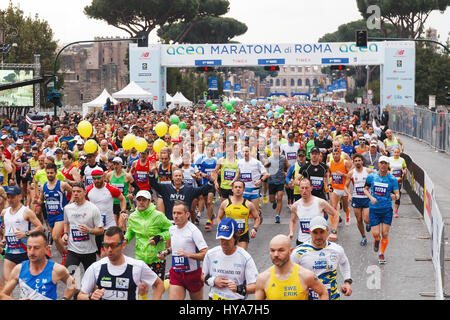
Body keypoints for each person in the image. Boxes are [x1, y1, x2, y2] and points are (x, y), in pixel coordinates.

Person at [77, 226, 164, 300]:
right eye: (106, 245)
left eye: (113, 245)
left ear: (123, 244)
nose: (109, 250)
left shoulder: (137, 266)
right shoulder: (95, 267)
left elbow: (159, 284)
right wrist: (90, 296)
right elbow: (80, 296)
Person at [0, 231, 76, 300]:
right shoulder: (19, 269)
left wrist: (65, 299)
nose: (32, 252)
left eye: (36, 248)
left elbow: (72, 285)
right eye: (29, 248)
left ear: (47, 249)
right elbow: (3, 295)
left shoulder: (57, 269)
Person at [291, 216, 352, 300]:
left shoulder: (336, 249)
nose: (318, 236)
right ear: (310, 232)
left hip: (332, 297)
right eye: (315, 232)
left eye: (321, 232)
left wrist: (347, 282)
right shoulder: (299, 252)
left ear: (327, 230)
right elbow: (289, 273)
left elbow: (344, 262)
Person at [158, 201, 208, 300]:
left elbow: (206, 253)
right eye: (174, 213)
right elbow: (176, 247)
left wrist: (188, 255)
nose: (175, 216)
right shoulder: (172, 229)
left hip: (193, 274)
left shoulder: (193, 231)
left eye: (179, 213)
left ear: (187, 214)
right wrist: (166, 252)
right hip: (176, 273)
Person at [254, 234, 328, 300]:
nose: (276, 254)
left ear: (290, 251)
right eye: (272, 250)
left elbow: (323, 293)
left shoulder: (306, 275)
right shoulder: (263, 279)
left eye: (281, 250)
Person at [202, 218, 258, 300]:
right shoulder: (211, 254)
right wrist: (213, 281)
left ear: (235, 237)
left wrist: (238, 289)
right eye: (221, 239)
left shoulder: (245, 258)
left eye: (227, 239)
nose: (224, 242)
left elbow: (256, 286)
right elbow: (202, 276)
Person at [122, 190, 172, 280]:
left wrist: (159, 237)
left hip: (156, 258)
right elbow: (131, 230)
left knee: (158, 287)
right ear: (135, 201)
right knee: (141, 287)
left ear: (149, 201)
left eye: (144, 200)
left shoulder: (158, 215)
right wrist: (126, 239)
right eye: (139, 200)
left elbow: (171, 230)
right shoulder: (133, 216)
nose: (141, 202)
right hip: (140, 258)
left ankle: (167, 282)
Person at [1, 185, 44, 283]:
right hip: (10, 252)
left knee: (27, 284)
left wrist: (26, 233)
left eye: (13, 196)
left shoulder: (26, 211)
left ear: (19, 196)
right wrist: (4, 239)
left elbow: (40, 228)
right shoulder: (4, 212)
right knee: (8, 283)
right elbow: (7, 228)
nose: (10, 199)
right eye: (8, 197)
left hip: (25, 253)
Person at [62, 182, 104, 276]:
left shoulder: (93, 209)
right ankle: (75, 289)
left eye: (78, 191)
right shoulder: (67, 208)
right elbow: (67, 223)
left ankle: (86, 290)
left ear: (85, 192)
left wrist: (89, 231)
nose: (75, 194)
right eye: (73, 191)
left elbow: (101, 230)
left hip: (89, 251)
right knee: (68, 276)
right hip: (73, 250)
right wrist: (65, 234)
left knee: (91, 279)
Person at [364, 156, 400, 264]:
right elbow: (365, 189)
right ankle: (376, 240)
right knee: (376, 234)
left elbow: (397, 194)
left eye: (385, 163)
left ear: (388, 165)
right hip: (374, 209)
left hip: (386, 210)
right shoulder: (371, 177)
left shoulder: (392, 179)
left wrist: (395, 196)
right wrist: (371, 197)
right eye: (381, 163)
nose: (383, 165)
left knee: (385, 233)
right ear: (378, 164)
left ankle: (382, 253)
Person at [86, 169, 127, 257]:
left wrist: (123, 211)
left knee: (106, 253)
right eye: (94, 179)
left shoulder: (111, 189)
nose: (97, 181)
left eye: (99, 178)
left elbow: (122, 199)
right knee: (99, 253)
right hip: (95, 227)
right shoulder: (88, 189)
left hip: (109, 226)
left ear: (104, 177)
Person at [37, 163, 72, 263]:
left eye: (51, 173)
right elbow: (41, 199)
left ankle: (66, 254)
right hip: (50, 215)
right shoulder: (44, 186)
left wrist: (70, 203)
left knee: (55, 236)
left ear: (56, 173)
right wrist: (37, 202)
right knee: (55, 239)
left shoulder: (62, 184)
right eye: (48, 173)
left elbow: (72, 191)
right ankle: (64, 255)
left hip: (60, 214)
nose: (49, 175)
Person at [289, 179, 339, 245]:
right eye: (302, 188)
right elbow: (293, 220)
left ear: (311, 188)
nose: (304, 191)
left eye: (306, 188)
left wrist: (334, 232)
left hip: (318, 242)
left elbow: (336, 214)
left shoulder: (320, 202)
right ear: (299, 188)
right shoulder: (295, 205)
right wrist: (291, 232)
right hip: (302, 241)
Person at [216, 180, 260, 251]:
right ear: (232, 189)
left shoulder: (249, 204)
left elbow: (257, 218)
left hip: (242, 234)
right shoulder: (225, 203)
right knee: (229, 256)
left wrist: (254, 229)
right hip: (229, 234)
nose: (238, 189)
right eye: (236, 187)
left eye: (240, 187)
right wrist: (221, 228)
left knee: (241, 256)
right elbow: (219, 217)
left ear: (243, 190)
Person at [344, 153, 374, 246]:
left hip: (366, 198)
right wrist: (349, 194)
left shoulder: (368, 171)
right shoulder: (351, 173)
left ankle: (368, 223)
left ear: (362, 161)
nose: (357, 162)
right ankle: (363, 237)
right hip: (356, 198)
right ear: (353, 162)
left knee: (366, 219)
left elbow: (376, 179)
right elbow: (345, 186)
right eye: (355, 161)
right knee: (359, 219)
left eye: (359, 160)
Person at [327, 147, 353, 226]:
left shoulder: (345, 163)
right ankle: (333, 227)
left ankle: (347, 214)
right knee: (333, 208)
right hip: (335, 189)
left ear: (340, 154)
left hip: (344, 189)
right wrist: (328, 184)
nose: (335, 156)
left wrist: (342, 174)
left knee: (345, 208)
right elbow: (328, 175)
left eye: (337, 154)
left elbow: (350, 175)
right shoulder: (329, 164)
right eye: (333, 154)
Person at [106, 157, 134, 226]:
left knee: (121, 225)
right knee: (115, 226)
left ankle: (123, 236)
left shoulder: (127, 176)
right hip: (113, 203)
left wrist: (131, 194)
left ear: (121, 164)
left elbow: (136, 187)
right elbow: (105, 187)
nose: (116, 166)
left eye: (117, 164)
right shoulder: (109, 175)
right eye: (114, 164)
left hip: (124, 202)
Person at [265, 145, 289, 223]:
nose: (276, 153)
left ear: (279, 151)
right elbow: (265, 165)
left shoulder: (283, 158)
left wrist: (286, 173)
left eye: (277, 151)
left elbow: (288, 166)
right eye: (274, 151)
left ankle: (277, 215)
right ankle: (274, 202)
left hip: (280, 181)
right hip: (271, 181)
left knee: (280, 198)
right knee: (271, 200)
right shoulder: (269, 159)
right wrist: (267, 164)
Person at [280, 132, 300, 206]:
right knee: (288, 185)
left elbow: (300, 154)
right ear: (287, 138)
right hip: (287, 167)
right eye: (289, 138)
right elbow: (281, 156)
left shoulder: (297, 145)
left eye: (292, 138)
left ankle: (293, 200)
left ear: (294, 138)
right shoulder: (283, 146)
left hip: (295, 167)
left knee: (294, 183)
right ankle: (289, 198)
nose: (291, 140)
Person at [388, 147, 407, 218]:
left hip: (398, 179)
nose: (396, 154)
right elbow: (386, 168)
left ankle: (395, 210)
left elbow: (405, 167)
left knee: (398, 195)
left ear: (400, 153)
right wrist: (388, 172)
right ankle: (388, 209)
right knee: (389, 194)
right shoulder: (389, 159)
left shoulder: (402, 160)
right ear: (393, 153)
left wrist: (404, 170)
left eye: (397, 152)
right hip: (390, 180)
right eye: (395, 152)